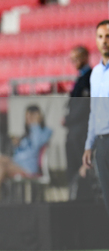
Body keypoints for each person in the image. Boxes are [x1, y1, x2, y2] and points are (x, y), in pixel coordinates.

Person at [0, 105, 53, 202]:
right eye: (27, 117)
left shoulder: (45, 132)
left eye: (32, 116)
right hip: (17, 164)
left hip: (29, 168)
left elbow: (37, 143)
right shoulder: (26, 135)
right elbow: (18, 155)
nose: (29, 119)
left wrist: (35, 125)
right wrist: (17, 145)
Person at [83, 21, 109, 212]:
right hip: (101, 143)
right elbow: (94, 110)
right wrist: (88, 145)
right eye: (100, 37)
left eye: (108, 36)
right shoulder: (95, 74)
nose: (104, 41)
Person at [64, 46, 92, 199]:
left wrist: (69, 119)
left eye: (76, 58)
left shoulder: (90, 78)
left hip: (82, 133)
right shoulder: (81, 78)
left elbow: (84, 106)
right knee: (73, 170)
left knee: (83, 169)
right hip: (74, 132)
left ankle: (85, 200)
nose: (74, 62)